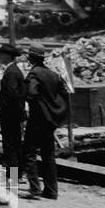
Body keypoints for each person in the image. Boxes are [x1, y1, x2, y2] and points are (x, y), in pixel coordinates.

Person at [24, 45, 69, 200]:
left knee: (29, 152)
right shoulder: (53, 74)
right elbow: (63, 93)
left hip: (36, 120)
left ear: (31, 58)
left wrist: (32, 102)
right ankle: (51, 191)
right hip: (50, 121)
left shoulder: (34, 74)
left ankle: (35, 188)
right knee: (48, 155)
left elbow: (31, 93)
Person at [0, 42, 26, 190]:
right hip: (14, 115)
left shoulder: (12, 72)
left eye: (1, 54)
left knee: (10, 146)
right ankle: (17, 175)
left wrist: (7, 112)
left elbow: (13, 95)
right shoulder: (13, 71)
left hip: (10, 116)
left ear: (8, 56)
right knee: (14, 145)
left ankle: (12, 178)